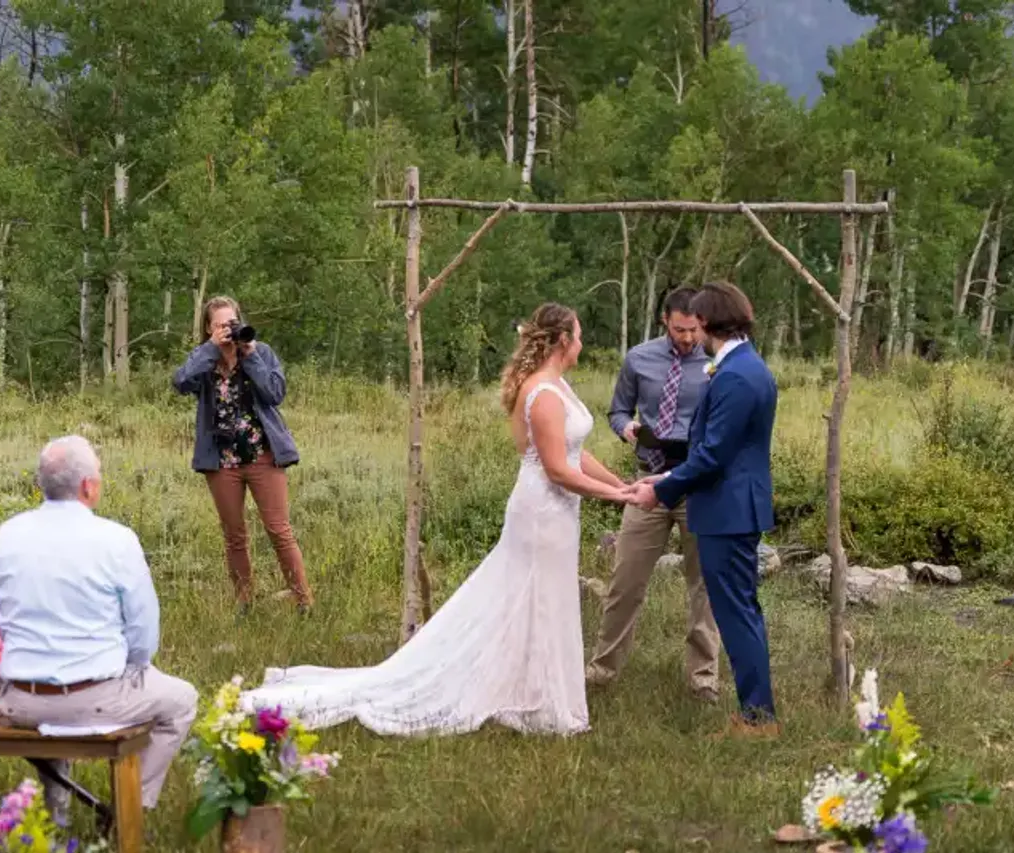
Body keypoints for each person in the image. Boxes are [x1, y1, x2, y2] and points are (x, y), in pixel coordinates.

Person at [241, 303, 632, 735]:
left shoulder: (559, 386)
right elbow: (557, 468)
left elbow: (577, 454)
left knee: (545, 598)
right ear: (562, 340)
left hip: (559, 511)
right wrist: (615, 496)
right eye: (577, 335)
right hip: (542, 510)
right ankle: (533, 700)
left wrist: (621, 484)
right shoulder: (541, 393)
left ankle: (535, 693)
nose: (581, 343)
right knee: (531, 597)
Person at [0, 436, 198, 815]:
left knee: (56, 692)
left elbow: (1, 617)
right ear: (88, 486)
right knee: (182, 700)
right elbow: (143, 632)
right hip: (94, 700)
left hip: (19, 701)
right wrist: (134, 667)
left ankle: (58, 814)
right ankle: (129, 810)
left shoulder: (7, 535)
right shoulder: (116, 540)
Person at [630, 282, 779, 733]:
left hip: (727, 511)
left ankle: (757, 716)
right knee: (740, 610)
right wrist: (668, 477)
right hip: (731, 504)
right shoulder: (745, 366)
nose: (695, 333)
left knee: (735, 614)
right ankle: (757, 710)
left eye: (699, 323)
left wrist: (663, 490)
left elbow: (714, 455)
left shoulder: (735, 376)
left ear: (710, 323)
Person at [586, 287, 722, 702]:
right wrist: (625, 427)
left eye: (694, 330)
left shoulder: (719, 362)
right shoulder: (639, 358)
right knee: (625, 581)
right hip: (647, 482)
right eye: (680, 329)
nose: (687, 338)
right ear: (666, 320)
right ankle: (601, 670)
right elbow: (617, 410)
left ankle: (703, 679)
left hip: (698, 484)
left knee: (704, 586)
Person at [173, 295, 312, 615]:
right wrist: (210, 350)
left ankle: (304, 600)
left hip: (263, 454)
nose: (228, 330)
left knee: (279, 529)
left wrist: (250, 356)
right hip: (221, 461)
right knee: (234, 535)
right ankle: (244, 602)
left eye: (232, 323)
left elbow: (275, 394)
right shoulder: (204, 359)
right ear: (209, 328)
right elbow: (181, 383)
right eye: (221, 325)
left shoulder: (259, 352)